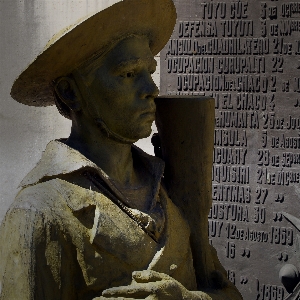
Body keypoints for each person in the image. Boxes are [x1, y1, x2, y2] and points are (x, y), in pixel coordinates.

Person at [0, 0, 242, 299]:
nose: (151, 88)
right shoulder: (39, 212)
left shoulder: (172, 192)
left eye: (149, 71)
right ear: (71, 92)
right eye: (128, 74)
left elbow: (228, 293)